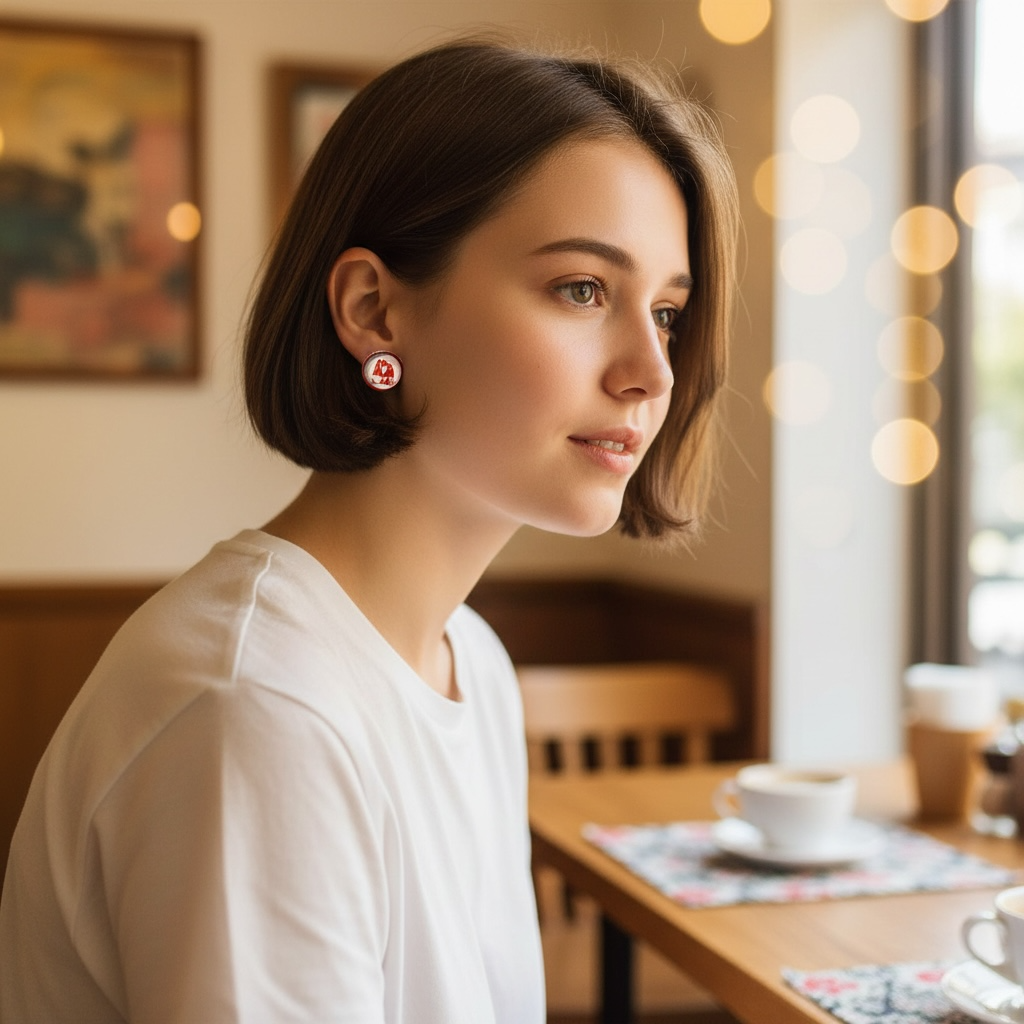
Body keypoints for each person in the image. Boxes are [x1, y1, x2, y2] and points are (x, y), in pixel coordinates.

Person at [0, 34, 738, 1024]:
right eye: (582, 289)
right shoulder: (257, 708)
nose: (650, 370)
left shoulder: (468, 664)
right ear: (371, 310)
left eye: (668, 312)